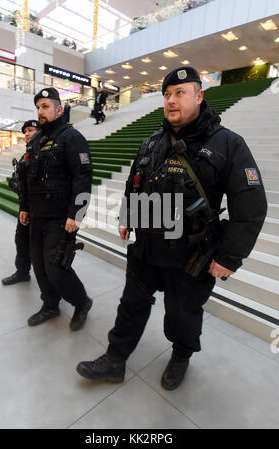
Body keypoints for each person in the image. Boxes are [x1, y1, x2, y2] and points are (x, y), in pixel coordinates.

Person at [77, 66, 267, 390]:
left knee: (182, 316)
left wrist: (230, 257)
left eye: (180, 93)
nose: (171, 100)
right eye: (167, 95)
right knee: (131, 306)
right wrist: (127, 217)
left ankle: (181, 355)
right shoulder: (152, 142)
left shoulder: (228, 144)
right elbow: (134, 182)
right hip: (147, 247)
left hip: (190, 256)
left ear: (199, 95)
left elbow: (251, 206)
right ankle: (115, 358)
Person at [18, 87, 93, 330]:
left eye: (46, 106)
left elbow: (83, 178)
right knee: (39, 266)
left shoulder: (72, 138)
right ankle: (50, 304)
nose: (40, 111)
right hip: (37, 216)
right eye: (38, 107)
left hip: (61, 218)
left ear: (59, 109)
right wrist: (25, 207)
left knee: (56, 267)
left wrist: (76, 215)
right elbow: (29, 179)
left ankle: (81, 303)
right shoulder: (38, 139)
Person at [2, 120, 40, 286]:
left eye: (31, 130)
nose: (27, 134)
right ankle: (22, 272)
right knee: (21, 240)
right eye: (25, 131)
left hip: (41, 210)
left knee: (39, 249)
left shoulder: (46, 153)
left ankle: (49, 285)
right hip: (25, 208)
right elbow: (20, 179)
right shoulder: (25, 155)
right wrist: (16, 184)